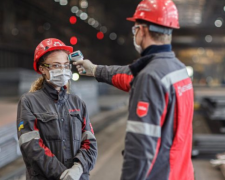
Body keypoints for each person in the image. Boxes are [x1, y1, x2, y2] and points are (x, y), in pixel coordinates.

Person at [74, 0, 194, 179]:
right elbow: (129, 74)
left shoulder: (150, 77)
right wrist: (95, 70)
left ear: (142, 30)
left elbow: (140, 149)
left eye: (135, 28)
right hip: (182, 173)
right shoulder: (177, 70)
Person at [17, 38, 97, 180]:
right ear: (42, 69)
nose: (63, 70)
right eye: (56, 65)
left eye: (66, 65)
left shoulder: (78, 103)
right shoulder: (29, 102)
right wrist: (63, 174)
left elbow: (90, 144)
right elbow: (32, 147)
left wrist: (78, 168)